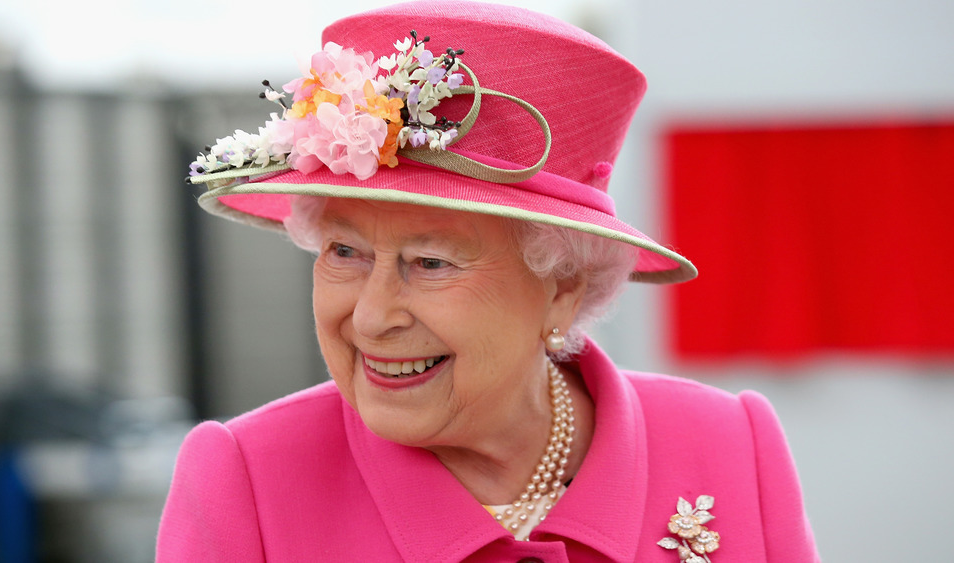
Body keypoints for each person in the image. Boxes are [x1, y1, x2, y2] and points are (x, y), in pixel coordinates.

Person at [157, 1, 819, 561]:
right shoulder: (248, 481)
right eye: (344, 251)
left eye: (430, 261)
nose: (370, 316)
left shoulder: (730, 446)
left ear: (561, 286)